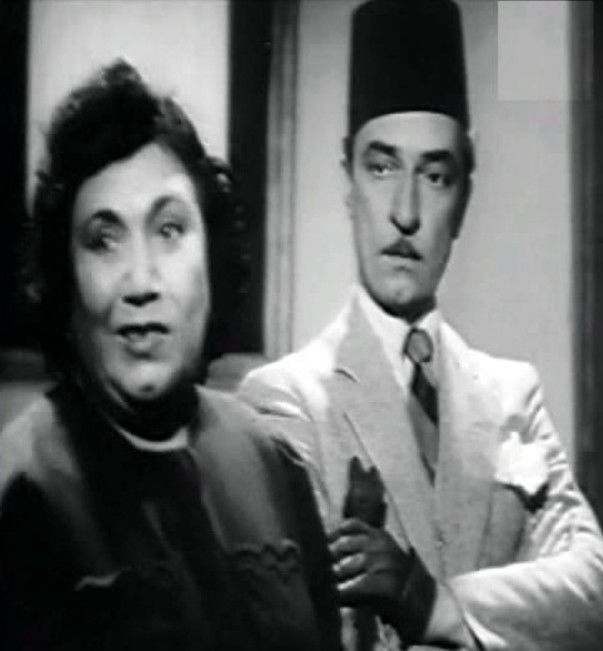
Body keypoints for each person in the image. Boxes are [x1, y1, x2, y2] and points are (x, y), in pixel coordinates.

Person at [239, 0, 603, 649]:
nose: (406, 212)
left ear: (464, 197)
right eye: (382, 167)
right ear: (348, 180)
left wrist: (431, 602)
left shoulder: (510, 396)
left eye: (436, 175)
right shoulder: (285, 403)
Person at [0, 60, 341, 651]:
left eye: (169, 230)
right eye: (103, 240)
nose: (141, 281)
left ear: (213, 256)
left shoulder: (272, 462)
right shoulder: (20, 490)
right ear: (65, 280)